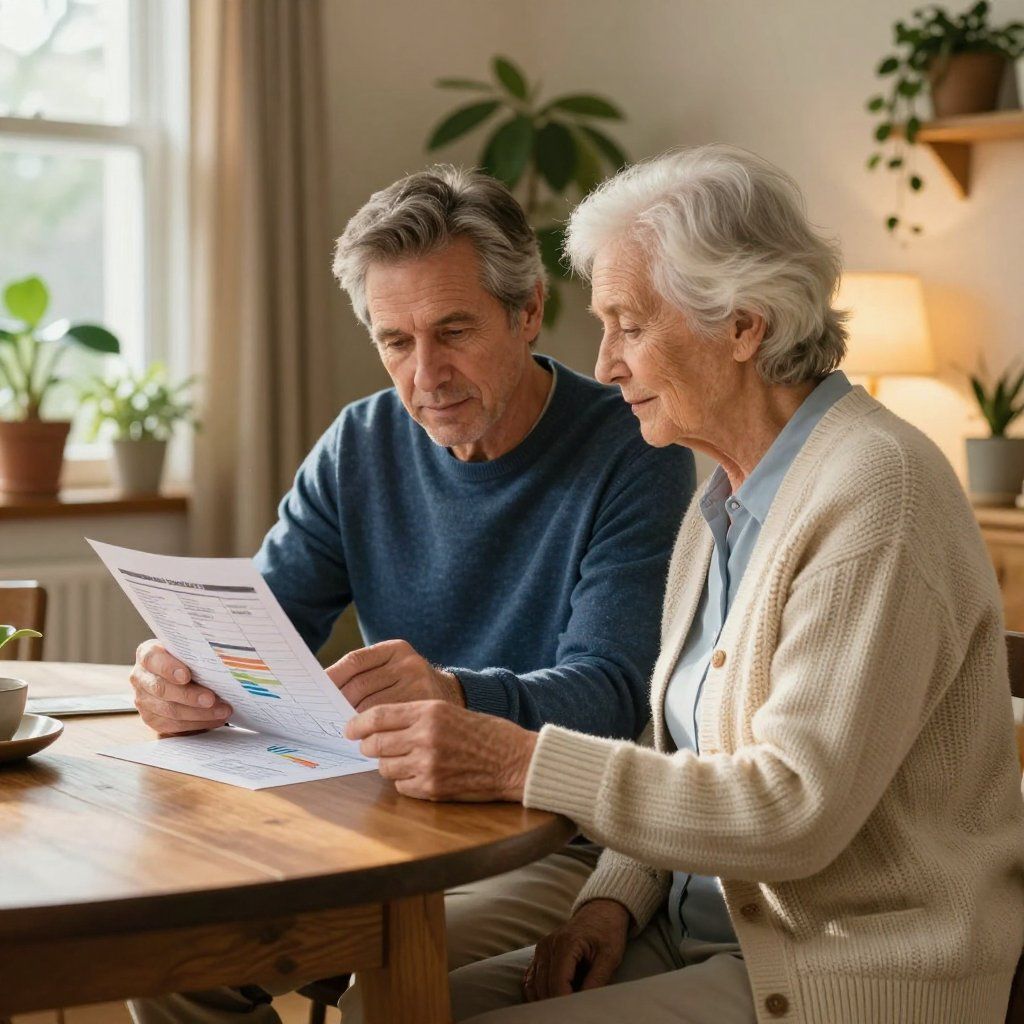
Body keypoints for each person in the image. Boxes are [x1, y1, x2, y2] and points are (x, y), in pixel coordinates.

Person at [347, 145, 1024, 1024]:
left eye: (628, 323)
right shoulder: (724, 497)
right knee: (387, 1008)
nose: (604, 364)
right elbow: (687, 755)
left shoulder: (876, 490)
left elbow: (791, 810)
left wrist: (518, 758)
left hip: (842, 967)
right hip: (702, 931)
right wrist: (613, 898)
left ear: (744, 326)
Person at [126, 166, 695, 1024]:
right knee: (174, 957)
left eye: (453, 330)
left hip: (554, 839)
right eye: (395, 340)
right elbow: (262, 626)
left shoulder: (632, 449)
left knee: (374, 984)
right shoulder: (359, 442)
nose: (424, 373)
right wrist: (189, 670)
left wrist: (456, 696)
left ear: (529, 310)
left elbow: (616, 693)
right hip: (383, 817)